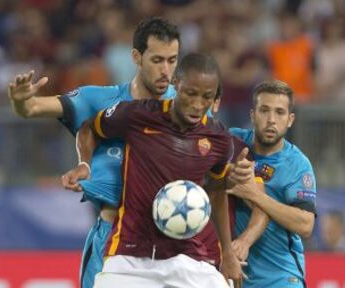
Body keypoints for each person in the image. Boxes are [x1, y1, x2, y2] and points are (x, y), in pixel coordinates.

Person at [8, 16, 180, 288]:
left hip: (173, 243)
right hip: (112, 239)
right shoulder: (102, 100)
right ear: (136, 57)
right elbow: (32, 109)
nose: (166, 70)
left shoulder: (188, 110)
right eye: (157, 60)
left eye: (172, 60)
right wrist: (20, 101)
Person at [64, 53, 243, 288]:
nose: (198, 104)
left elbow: (218, 192)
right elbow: (89, 128)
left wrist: (228, 254)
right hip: (129, 257)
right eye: (191, 93)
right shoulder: (139, 114)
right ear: (176, 84)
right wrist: (84, 164)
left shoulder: (219, 139)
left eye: (207, 97)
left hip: (186, 257)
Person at [227, 80, 317, 287]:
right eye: (264, 110)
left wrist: (255, 195)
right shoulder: (233, 143)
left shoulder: (297, 165)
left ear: (290, 119)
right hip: (236, 275)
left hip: (281, 277)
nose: (271, 120)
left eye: (279, 112)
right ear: (252, 115)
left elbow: (305, 225)